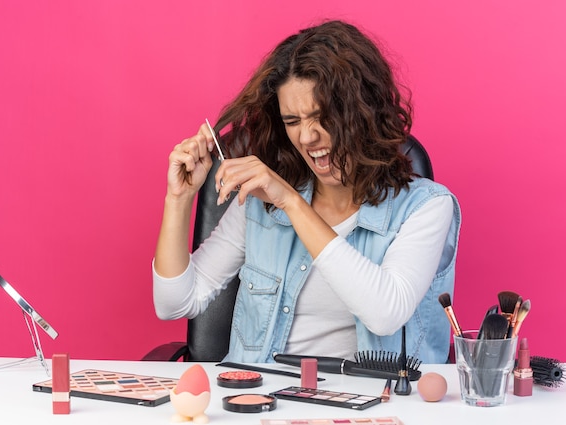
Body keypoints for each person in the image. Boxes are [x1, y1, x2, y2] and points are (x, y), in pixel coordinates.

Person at [152, 20, 461, 364]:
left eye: (322, 117)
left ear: (364, 112)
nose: (307, 137)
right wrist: (179, 198)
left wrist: (292, 203)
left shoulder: (427, 206)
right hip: (257, 401)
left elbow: (385, 312)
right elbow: (174, 303)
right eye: (292, 121)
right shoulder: (259, 205)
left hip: (366, 407)